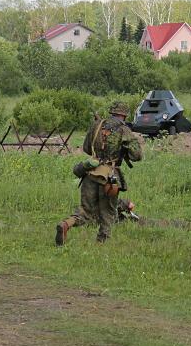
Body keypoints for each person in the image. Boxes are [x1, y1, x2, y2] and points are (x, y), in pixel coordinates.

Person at [55, 102, 142, 245]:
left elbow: (87, 149)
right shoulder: (124, 130)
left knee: (85, 211)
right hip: (109, 177)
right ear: (124, 115)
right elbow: (137, 156)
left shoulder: (97, 125)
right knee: (108, 212)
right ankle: (102, 244)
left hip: (90, 173)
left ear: (112, 112)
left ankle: (66, 224)